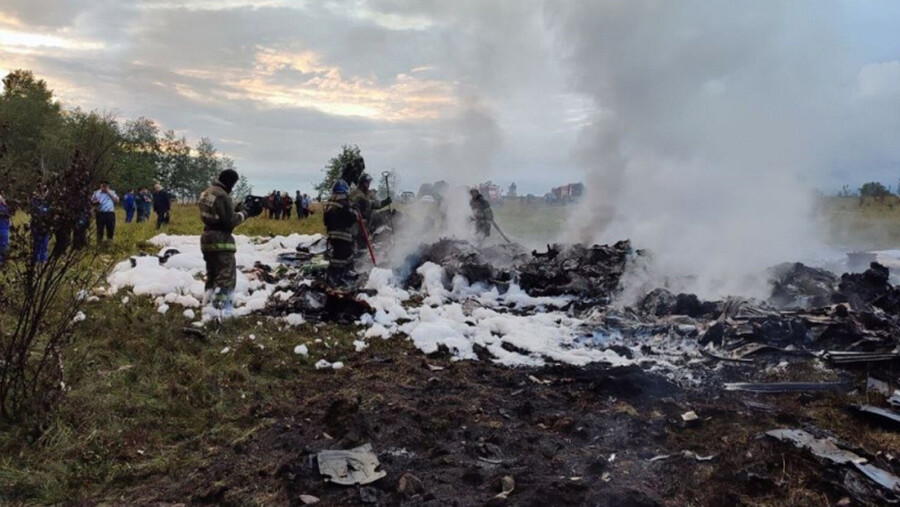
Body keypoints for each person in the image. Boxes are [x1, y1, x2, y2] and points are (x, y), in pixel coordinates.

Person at [199, 169, 262, 316]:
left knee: (212, 274)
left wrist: (236, 209)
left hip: (207, 238)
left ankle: (207, 302)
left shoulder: (207, 192)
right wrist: (246, 213)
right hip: (221, 240)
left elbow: (218, 215)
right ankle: (220, 308)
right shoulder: (222, 196)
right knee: (226, 275)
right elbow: (230, 221)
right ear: (231, 182)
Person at [324, 180, 357, 287]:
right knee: (343, 259)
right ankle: (337, 278)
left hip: (332, 237)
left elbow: (325, 221)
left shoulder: (329, 205)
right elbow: (351, 219)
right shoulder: (344, 205)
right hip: (343, 237)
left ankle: (335, 277)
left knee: (337, 257)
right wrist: (354, 211)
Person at [349, 173, 392, 248]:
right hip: (355, 227)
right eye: (367, 183)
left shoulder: (366, 195)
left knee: (363, 247)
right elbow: (364, 204)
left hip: (363, 227)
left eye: (368, 183)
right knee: (358, 247)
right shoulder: (356, 193)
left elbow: (374, 204)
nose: (368, 185)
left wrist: (384, 202)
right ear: (363, 183)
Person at [91, 181, 119, 245]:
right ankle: (99, 243)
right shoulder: (96, 193)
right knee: (100, 229)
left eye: (105, 186)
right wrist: (95, 202)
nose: (104, 188)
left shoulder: (112, 192)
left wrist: (108, 192)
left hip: (110, 213)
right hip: (100, 213)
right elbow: (91, 201)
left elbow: (117, 200)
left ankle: (109, 243)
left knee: (110, 228)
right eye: (102, 186)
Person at [30, 188, 50, 264]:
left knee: (44, 245)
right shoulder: (35, 202)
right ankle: (36, 261)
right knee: (37, 244)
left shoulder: (48, 202)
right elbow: (34, 213)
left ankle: (43, 260)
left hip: (46, 227)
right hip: (37, 226)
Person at [0, 189, 10, 266]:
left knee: (3, 244)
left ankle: (2, 261)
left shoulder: (5, 205)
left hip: (4, 227)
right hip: (3, 228)